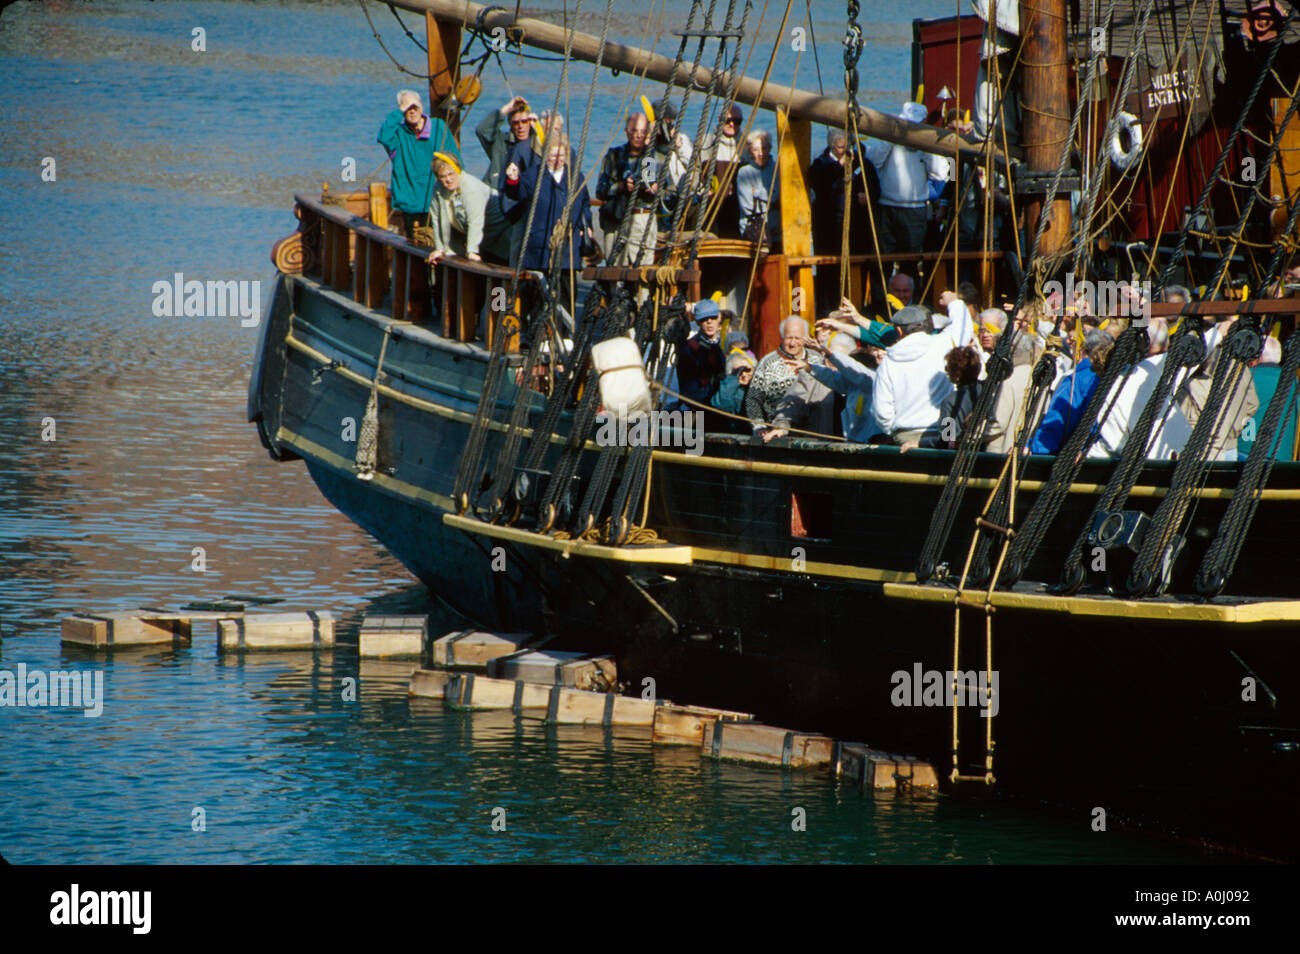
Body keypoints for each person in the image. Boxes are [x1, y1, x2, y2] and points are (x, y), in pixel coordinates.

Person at [870, 292, 974, 444]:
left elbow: (882, 410)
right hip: (946, 430)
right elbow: (964, 326)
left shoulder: (888, 363)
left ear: (899, 331)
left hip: (906, 435)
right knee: (947, 464)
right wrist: (954, 302)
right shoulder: (943, 344)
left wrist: (895, 429)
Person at [861, 102, 947, 253]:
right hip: (887, 207)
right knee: (883, 258)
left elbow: (940, 172)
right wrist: (891, 137)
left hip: (915, 209)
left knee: (911, 259)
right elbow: (873, 161)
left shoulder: (927, 149)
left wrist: (925, 144)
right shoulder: (889, 142)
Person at [504, 132, 592, 275]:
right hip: (540, 248)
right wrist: (513, 179)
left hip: (568, 249)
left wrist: (587, 226)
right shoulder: (532, 176)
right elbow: (516, 194)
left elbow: (585, 203)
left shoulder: (575, 176)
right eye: (553, 156)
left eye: (561, 156)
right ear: (545, 155)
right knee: (537, 293)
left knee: (567, 293)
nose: (558, 160)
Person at [378, 89, 461, 240]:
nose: (412, 111)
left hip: (439, 198)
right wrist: (400, 111)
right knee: (416, 245)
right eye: (407, 108)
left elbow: (456, 162)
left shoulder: (438, 127)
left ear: (422, 107)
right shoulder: (398, 134)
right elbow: (384, 136)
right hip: (411, 203)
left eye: (415, 106)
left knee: (442, 242)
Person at [1028, 329, 1114, 455]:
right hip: (1105, 453)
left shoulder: (1077, 379)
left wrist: (1033, 449)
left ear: (1082, 350)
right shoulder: (1119, 377)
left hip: (1073, 458)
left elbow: (1060, 420)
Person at [596, 113, 658, 266]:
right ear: (626, 131)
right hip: (617, 220)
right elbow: (601, 190)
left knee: (642, 274)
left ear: (648, 133)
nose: (638, 136)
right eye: (634, 131)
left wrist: (654, 189)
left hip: (643, 221)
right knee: (614, 271)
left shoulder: (653, 157)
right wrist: (621, 186)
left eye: (642, 132)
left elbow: (670, 194)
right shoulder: (613, 156)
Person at [746, 316, 824, 438]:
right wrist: (759, 427)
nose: (793, 343)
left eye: (797, 338)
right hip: (778, 435)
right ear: (782, 338)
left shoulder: (818, 360)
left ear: (805, 338)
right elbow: (753, 400)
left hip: (815, 432)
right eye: (789, 338)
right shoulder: (767, 363)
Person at [425, 154, 509, 264]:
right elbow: (437, 219)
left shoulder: (471, 188)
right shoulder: (438, 188)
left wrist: (471, 251)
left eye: (451, 174)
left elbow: (475, 221)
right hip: (476, 231)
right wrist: (439, 248)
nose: (448, 179)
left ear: (458, 170)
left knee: (500, 260)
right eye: (443, 176)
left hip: (500, 229)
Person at [802, 334, 884, 443]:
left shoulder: (872, 381)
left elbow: (856, 370)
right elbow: (832, 377)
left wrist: (830, 354)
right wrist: (809, 367)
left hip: (875, 442)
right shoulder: (852, 385)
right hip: (854, 442)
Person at [1240, 336, 1297, 461]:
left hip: (1246, 451)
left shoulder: (1245, 377)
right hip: (1281, 455)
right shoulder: (1293, 382)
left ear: (1256, 357)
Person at [700, 104, 746, 239]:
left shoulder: (746, 146)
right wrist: (702, 191)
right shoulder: (707, 142)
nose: (732, 124)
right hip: (712, 206)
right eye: (727, 121)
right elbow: (694, 172)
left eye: (737, 121)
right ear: (720, 119)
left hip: (738, 207)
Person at [671, 299, 726, 409]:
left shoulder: (719, 347)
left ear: (719, 318)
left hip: (718, 405)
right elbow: (689, 390)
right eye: (704, 319)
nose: (709, 322)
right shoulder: (689, 349)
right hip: (700, 409)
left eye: (713, 318)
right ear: (697, 322)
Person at [651, 103, 695, 231]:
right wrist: (649, 134)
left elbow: (693, 163)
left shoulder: (681, 139)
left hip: (677, 200)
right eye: (663, 122)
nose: (665, 127)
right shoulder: (647, 141)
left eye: (670, 123)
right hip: (656, 202)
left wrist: (679, 145)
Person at [476, 96, 533, 188]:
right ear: (510, 124)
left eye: (524, 121)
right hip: (495, 191)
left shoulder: (536, 143)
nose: (520, 126)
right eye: (515, 123)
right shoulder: (500, 141)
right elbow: (482, 130)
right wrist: (506, 109)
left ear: (530, 122)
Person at [736, 130, 780, 247]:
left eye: (764, 148)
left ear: (770, 149)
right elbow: (748, 207)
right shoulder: (744, 173)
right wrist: (772, 201)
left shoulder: (778, 169)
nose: (761, 153)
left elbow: (780, 196)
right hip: (754, 233)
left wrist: (757, 194)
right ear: (750, 152)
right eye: (756, 150)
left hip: (778, 232)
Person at [711, 352, 756, 432]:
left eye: (747, 370)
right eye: (738, 371)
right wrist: (733, 380)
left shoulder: (759, 387)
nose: (744, 374)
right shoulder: (728, 389)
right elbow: (723, 406)